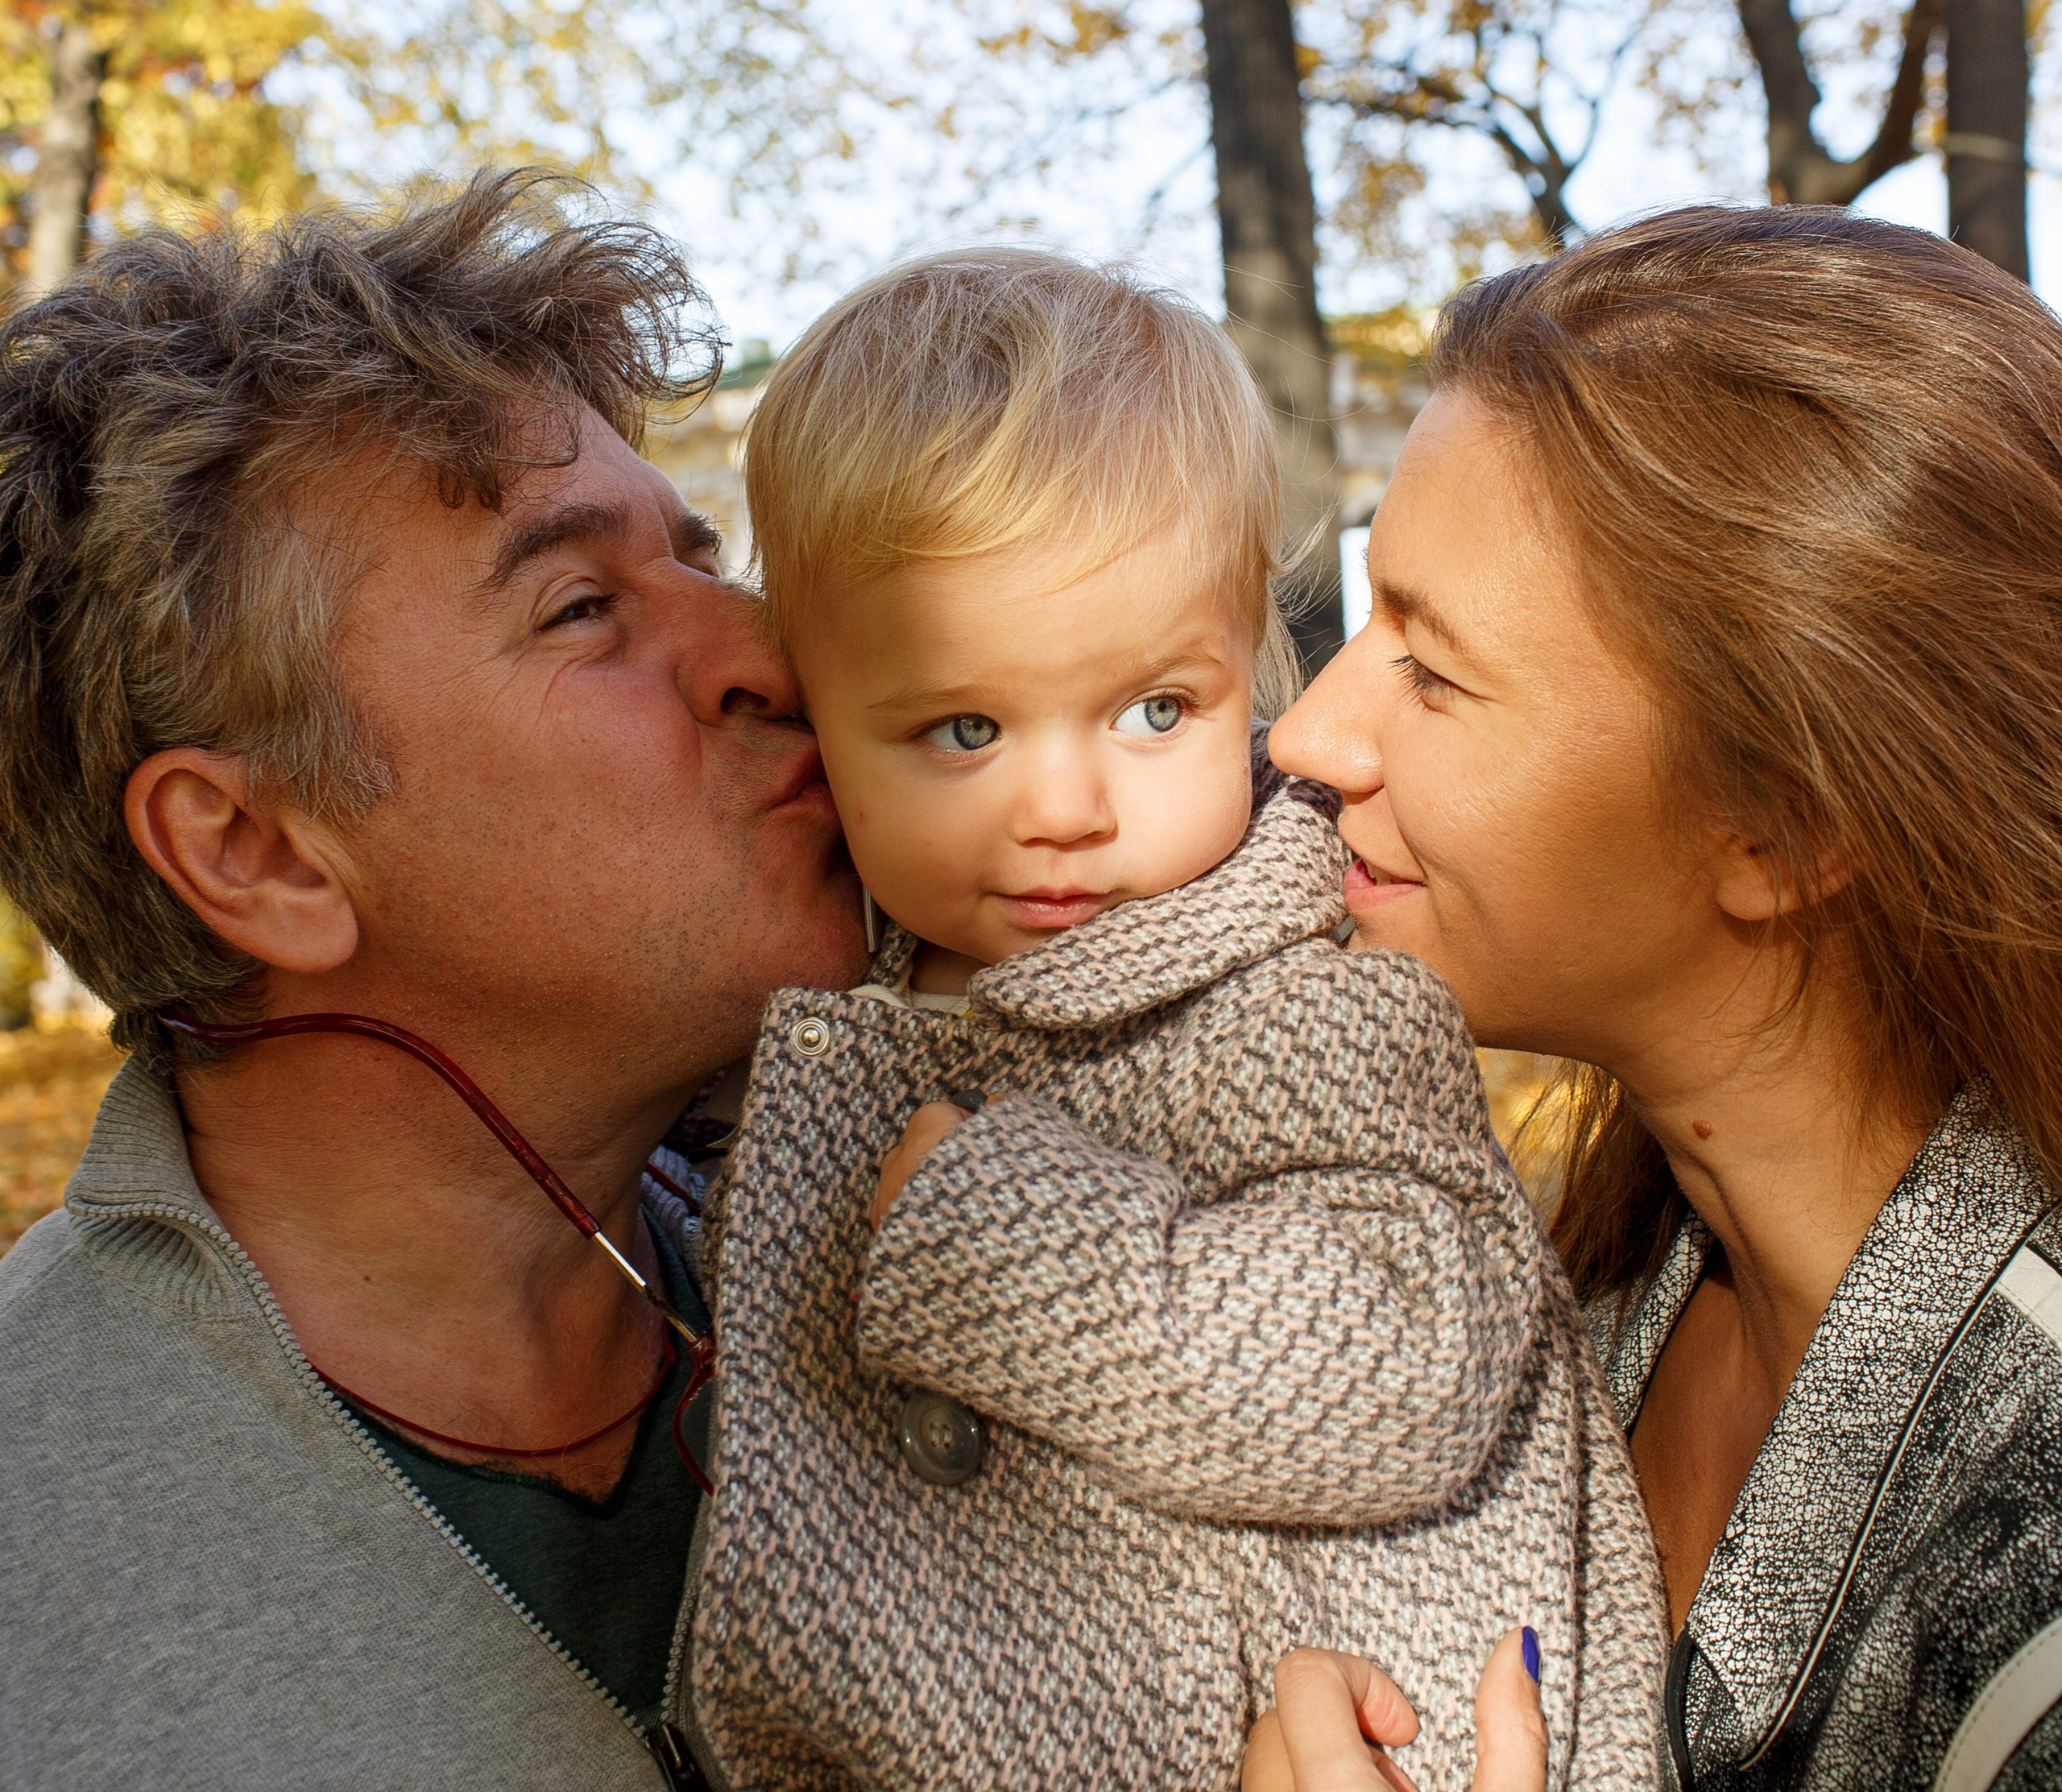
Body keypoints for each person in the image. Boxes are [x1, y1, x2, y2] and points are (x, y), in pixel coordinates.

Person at [679, 249, 1667, 1792]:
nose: (1070, 809)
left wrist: (1005, 1240)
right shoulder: (841, 1000)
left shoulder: (1291, 991)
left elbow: (1415, 1357)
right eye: (963, 728)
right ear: (815, 717)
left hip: (1335, 1726)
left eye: (1157, 711)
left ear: (1244, 665)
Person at [0, 172, 866, 1789]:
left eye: (698, 553)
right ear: (255, 849)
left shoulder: (923, 1267)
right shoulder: (34, 1607)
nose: (767, 648)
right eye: (584, 605)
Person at [1257, 204, 2062, 1790]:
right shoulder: (1601, 1279)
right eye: (1369, 624)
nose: (1308, 735)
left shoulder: (2023, 1585)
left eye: (1432, 666)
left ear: (1782, 822)